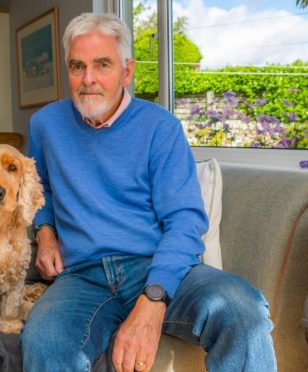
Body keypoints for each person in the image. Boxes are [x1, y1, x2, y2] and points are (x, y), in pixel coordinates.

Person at [21, 13, 276, 372]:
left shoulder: (161, 128)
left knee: (243, 309)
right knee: (42, 340)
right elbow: (37, 186)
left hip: (155, 265)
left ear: (127, 71)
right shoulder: (45, 125)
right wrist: (45, 233)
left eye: (102, 65)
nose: (88, 79)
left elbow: (185, 221)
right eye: (77, 66)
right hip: (82, 275)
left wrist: (154, 297)